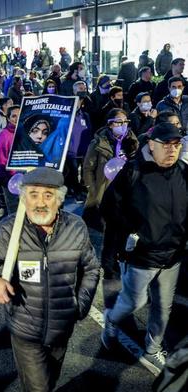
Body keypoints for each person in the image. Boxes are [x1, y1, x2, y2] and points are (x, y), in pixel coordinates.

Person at [0, 167, 100, 392]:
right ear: (24, 198)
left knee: (50, 381)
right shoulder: (9, 229)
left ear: (59, 199)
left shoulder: (76, 227)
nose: (40, 202)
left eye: (48, 195)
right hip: (25, 331)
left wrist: (80, 305)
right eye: (33, 194)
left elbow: (91, 268)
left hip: (62, 328)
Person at [100, 123, 187, 371]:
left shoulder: (184, 171)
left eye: (176, 145)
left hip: (173, 255)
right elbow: (109, 208)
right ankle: (112, 321)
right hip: (141, 256)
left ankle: (152, 348)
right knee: (133, 303)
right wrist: (133, 232)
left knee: (163, 307)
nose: (172, 150)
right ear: (151, 145)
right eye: (166, 145)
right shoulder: (132, 172)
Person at [83, 108, 138, 233]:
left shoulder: (132, 141)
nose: (123, 125)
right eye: (118, 122)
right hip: (104, 187)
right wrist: (92, 189)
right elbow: (88, 168)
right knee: (105, 226)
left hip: (125, 188)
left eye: (125, 121)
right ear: (110, 124)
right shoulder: (98, 143)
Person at [65, 81, 92, 199]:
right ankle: (76, 191)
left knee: (85, 172)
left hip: (84, 149)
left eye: (85, 88)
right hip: (72, 150)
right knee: (74, 172)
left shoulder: (85, 113)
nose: (83, 90)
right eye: (81, 88)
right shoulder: (68, 110)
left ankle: (82, 189)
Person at [0, 105, 21, 214]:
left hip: (25, 179)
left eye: (19, 115)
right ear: (8, 118)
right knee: (14, 213)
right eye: (14, 116)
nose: (16, 118)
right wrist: (5, 181)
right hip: (11, 181)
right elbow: (0, 160)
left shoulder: (25, 132)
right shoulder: (4, 135)